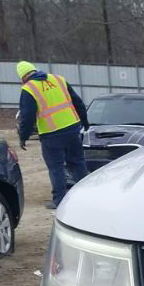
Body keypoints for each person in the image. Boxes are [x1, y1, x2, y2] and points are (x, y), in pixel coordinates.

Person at [16, 61, 90, 209]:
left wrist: (23, 136)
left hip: (52, 134)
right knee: (78, 163)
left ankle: (60, 200)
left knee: (56, 168)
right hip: (72, 129)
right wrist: (85, 121)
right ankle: (87, 194)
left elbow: (27, 116)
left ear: (23, 77)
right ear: (35, 70)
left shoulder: (29, 89)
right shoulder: (58, 80)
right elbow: (78, 102)